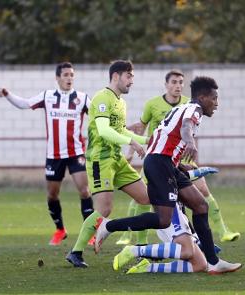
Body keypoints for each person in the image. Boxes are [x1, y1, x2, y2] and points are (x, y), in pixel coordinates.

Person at [94, 76, 242, 274]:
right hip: (159, 164)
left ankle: (213, 262)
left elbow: (161, 136)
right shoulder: (193, 110)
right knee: (163, 219)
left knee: (200, 205)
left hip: (165, 163)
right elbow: (186, 127)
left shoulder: (180, 108)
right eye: (214, 98)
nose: (217, 103)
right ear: (202, 97)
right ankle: (109, 226)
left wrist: (178, 164)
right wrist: (190, 142)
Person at [118, 70, 239, 245]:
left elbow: (182, 128)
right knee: (152, 206)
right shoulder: (161, 105)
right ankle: (138, 245)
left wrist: (182, 164)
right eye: (174, 82)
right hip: (159, 160)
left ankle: (210, 243)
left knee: (198, 202)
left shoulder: (186, 104)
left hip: (173, 162)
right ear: (166, 85)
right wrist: (190, 142)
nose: (178, 86)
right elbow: (185, 126)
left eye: (181, 82)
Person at [65, 60, 151, 268]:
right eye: (129, 76)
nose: (132, 81)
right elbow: (104, 130)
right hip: (100, 160)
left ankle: (142, 249)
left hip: (116, 159)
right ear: (116, 76)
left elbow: (120, 131)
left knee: (146, 198)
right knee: (104, 209)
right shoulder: (102, 97)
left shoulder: (120, 102)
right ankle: (75, 252)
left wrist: (146, 140)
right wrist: (131, 142)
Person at [0, 62, 93, 246]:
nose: (69, 78)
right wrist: (8, 94)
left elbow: (98, 115)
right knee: (52, 195)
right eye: (65, 75)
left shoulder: (82, 98)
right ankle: (60, 230)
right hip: (54, 154)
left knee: (84, 190)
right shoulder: (47, 96)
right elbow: (25, 104)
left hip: (76, 152)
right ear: (57, 78)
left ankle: (90, 232)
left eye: (72, 75)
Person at [113, 202, 207, 274]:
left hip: (178, 217)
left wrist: (194, 236)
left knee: (200, 264)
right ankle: (134, 250)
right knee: (187, 251)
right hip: (170, 214)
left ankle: (147, 267)